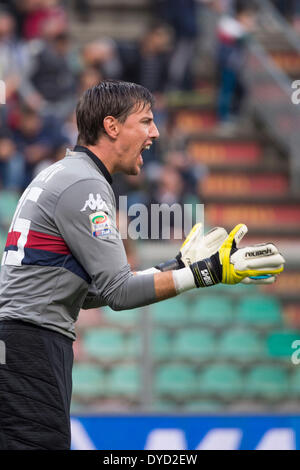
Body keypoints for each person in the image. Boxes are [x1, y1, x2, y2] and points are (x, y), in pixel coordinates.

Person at [0, 79, 285, 450]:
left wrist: (176, 263)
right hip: (30, 348)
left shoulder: (66, 174)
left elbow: (91, 292)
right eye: (146, 121)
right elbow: (120, 293)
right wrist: (207, 272)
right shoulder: (85, 185)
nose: (155, 132)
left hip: (21, 344)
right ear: (112, 126)